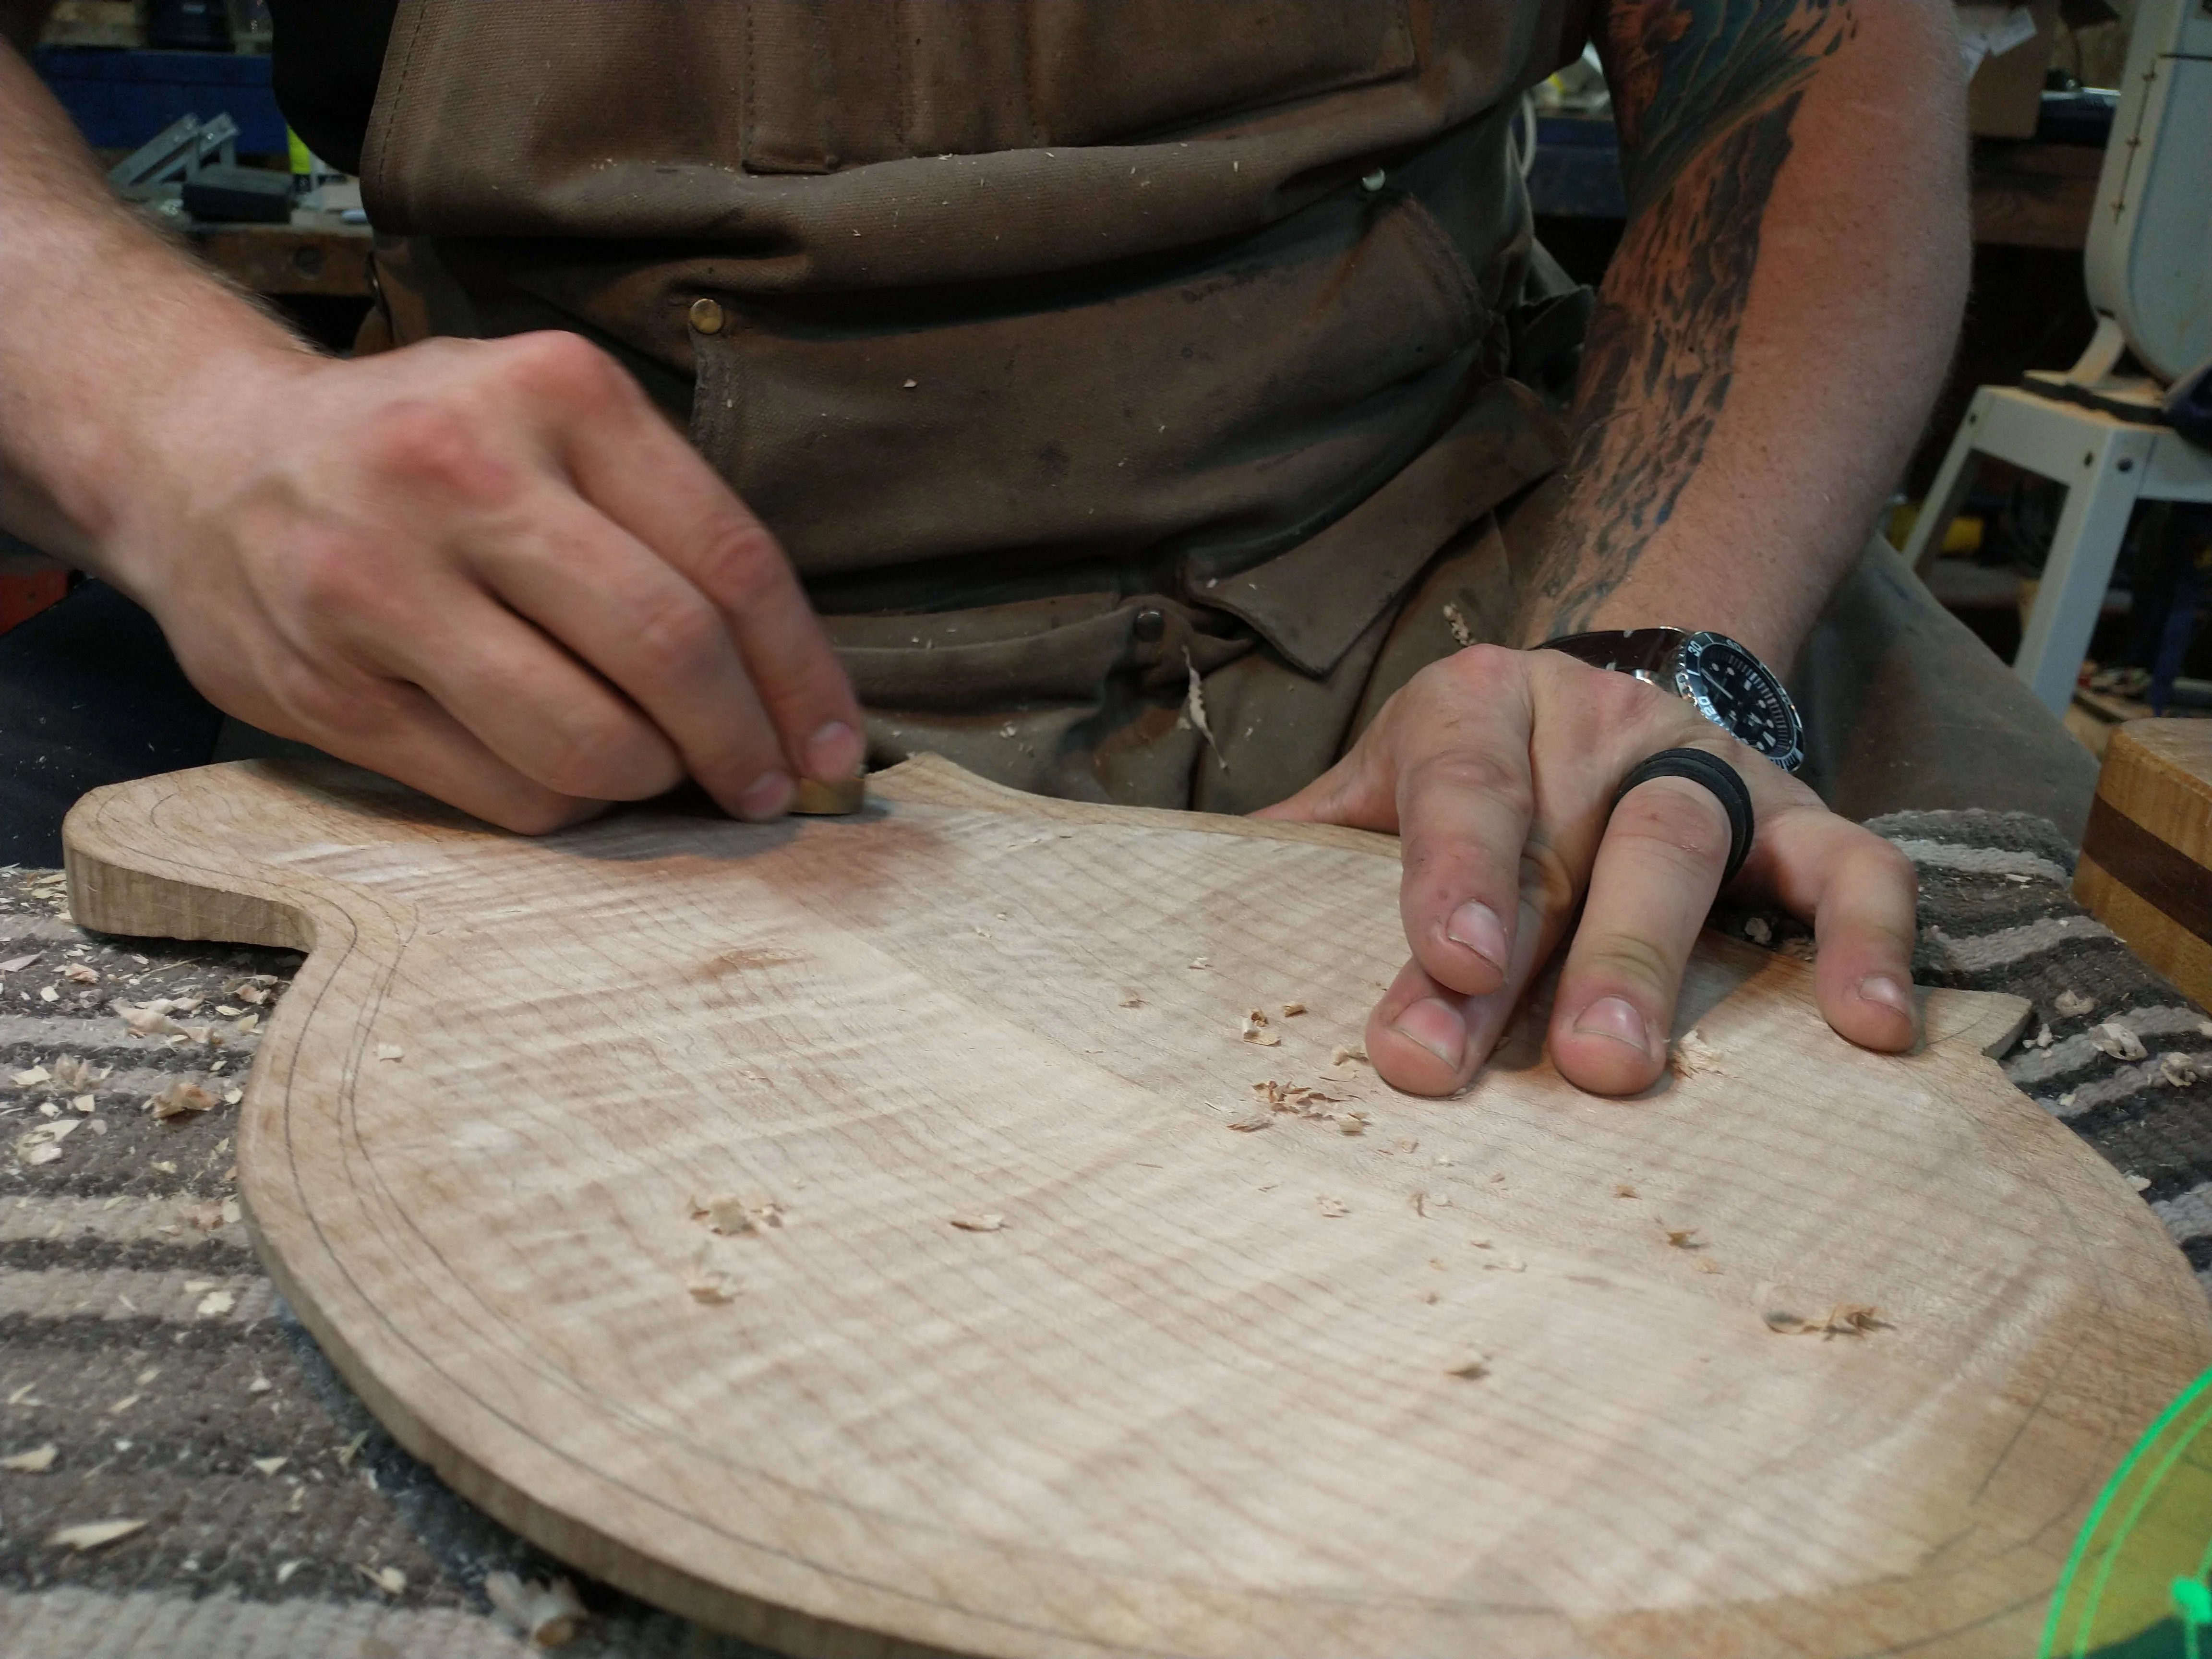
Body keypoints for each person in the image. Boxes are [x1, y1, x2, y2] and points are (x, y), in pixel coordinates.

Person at [0, 1, 2095, 1102]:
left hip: (1449, 602)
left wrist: (1665, 653)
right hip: (518, 627)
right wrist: (174, 424)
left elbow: (1797, 64)